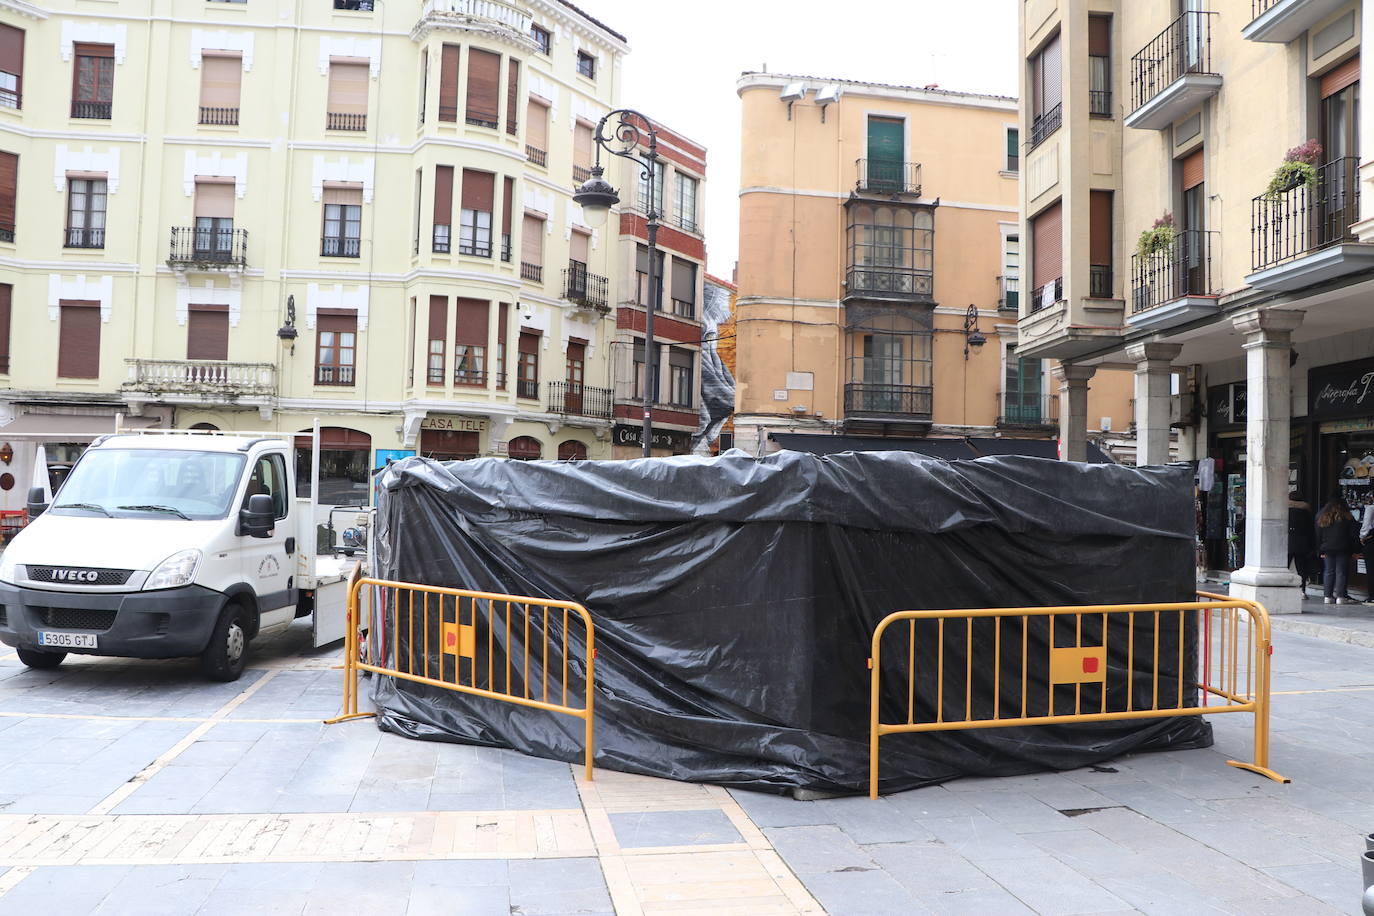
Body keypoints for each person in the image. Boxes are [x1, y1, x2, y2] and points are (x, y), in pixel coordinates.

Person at [1315, 496, 1361, 605]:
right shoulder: (1348, 517)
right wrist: (1356, 550)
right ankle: (1340, 597)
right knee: (1341, 572)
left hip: (1327, 548)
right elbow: (1353, 535)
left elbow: (1318, 535)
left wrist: (1319, 550)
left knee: (1328, 572)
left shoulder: (1323, 517)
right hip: (1343, 548)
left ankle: (1327, 596)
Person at [1287, 492, 1316, 596]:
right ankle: (1302, 590)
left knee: (1284, 568)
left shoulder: (1284, 511)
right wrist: (1312, 545)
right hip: (1302, 544)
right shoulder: (1306, 511)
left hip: (1287, 543)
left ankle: (1282, 587)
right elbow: (1311, 530)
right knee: (1302, 569)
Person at [1361, 504, 1374, 605]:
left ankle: (1372, 596)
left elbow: (1366, 524)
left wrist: (1362, 536)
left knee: (1371, 569)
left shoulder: (1371, 508)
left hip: (1371, 540)